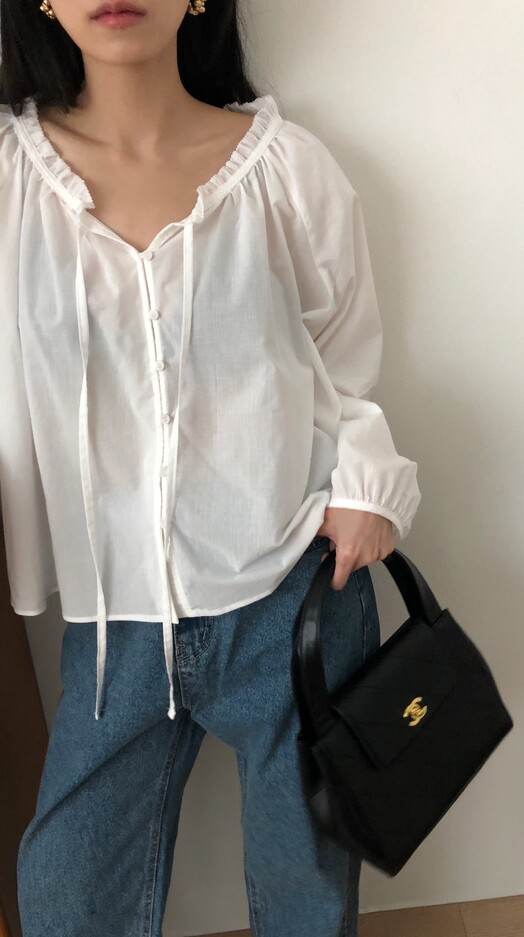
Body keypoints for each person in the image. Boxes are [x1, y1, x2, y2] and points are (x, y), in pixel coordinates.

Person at [0, 1, 421, 935]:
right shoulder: (13, 181)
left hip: (294, 593)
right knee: (68, 893)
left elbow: (345, 361)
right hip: (117, 626)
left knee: (307, 895)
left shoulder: (286, 168)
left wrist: (367, 487)